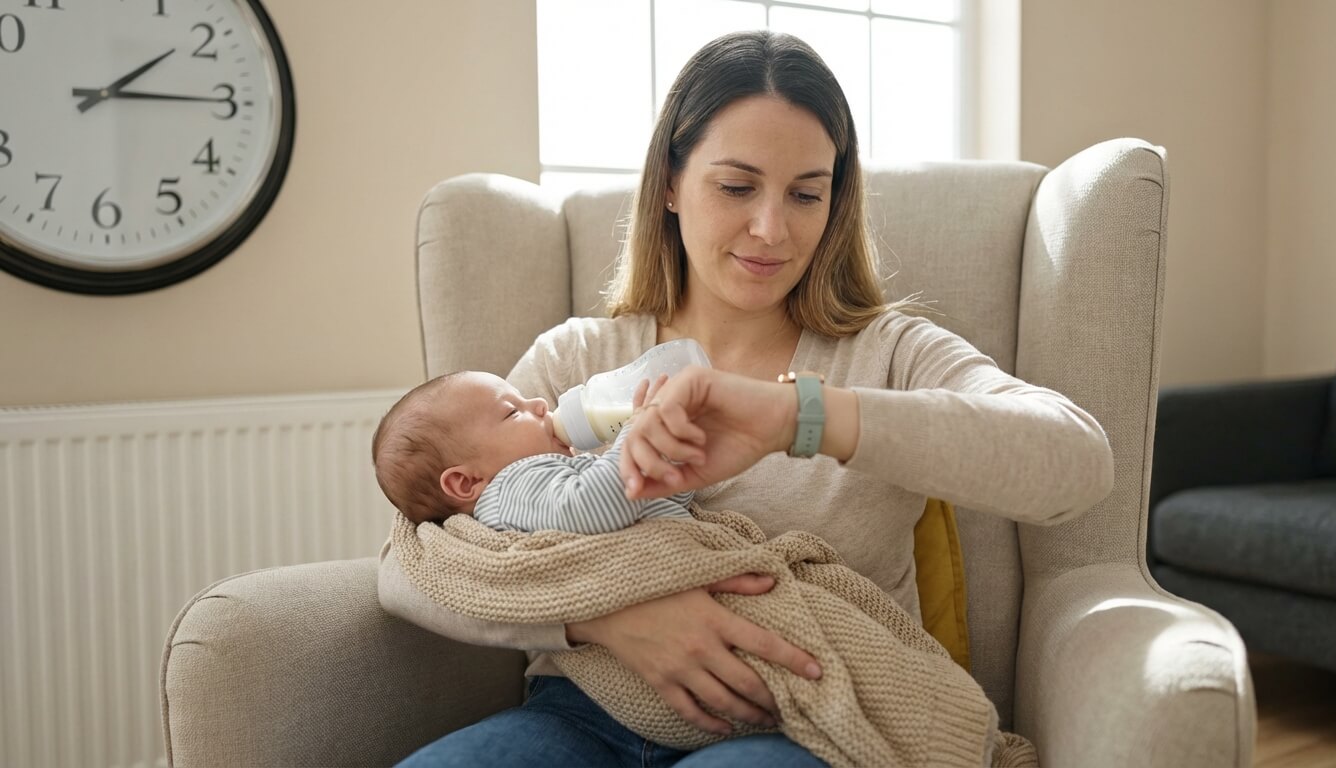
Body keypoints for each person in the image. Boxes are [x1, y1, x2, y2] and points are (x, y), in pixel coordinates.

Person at [379, 29, 1114, 767]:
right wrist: (601, 620)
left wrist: (803, 416)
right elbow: (410, 565)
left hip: (795, 725)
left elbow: (1076, 461)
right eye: (737, 187)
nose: (771, 229)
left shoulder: (887, 352)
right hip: (581, 715)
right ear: (669, 183)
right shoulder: (577, 358)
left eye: (805, 194)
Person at [372, 370, 694, 531]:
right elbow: (592, 507)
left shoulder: (552, 480)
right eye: (512, 412)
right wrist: (636, 435)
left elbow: (658, 503)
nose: (540, 404)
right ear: (467, 482)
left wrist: (669, 454)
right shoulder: (508, 490)